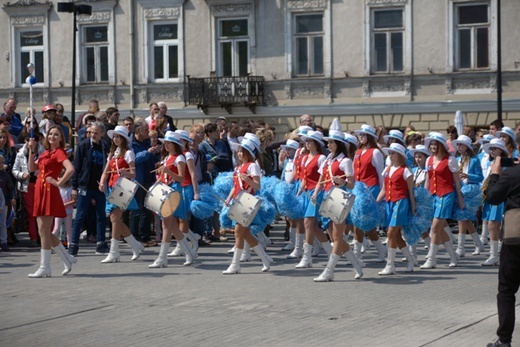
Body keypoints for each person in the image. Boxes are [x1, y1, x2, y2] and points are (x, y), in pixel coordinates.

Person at [312, 129, 363, 281]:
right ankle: (357, 265)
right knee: (336, 237)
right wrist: (315, 193)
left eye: (331, 142)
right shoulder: (328, 160)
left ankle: (329, 271)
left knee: (337, 236)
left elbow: (352, 183)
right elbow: (321, 180)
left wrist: (343, 182)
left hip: (340, 197)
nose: (328, 144)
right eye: (328, 142)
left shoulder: (345, 161)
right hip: (328, 198)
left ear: (339, 144)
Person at [485, 132, 520, 347]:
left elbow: (492, 198)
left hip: (515, 239)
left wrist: (496, 174)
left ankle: (504, 340)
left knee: (506, 290)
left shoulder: (513, 174)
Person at [27, 125, 76, 278]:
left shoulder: (59, 152)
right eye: (50, 134)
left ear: (61, 138)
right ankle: (67, 258)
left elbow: (70, 169)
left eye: (56, 135)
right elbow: (31, 169)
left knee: (44, 232)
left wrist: (59, 182)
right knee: (45, 231)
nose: (52, 137)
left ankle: (45, 266)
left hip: (48, 190)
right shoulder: (46, 152)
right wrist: (31, 150)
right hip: (39, 189)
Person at [223, 137, 272, 274]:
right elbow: (235, 186)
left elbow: (257, 185)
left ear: (248, 153)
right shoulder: (238, 168)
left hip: (248, 200)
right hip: (238, 201)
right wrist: (228, 198)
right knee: (246, 234)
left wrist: (247, 180)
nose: (239, 154)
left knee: (238, 231)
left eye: (242, 151)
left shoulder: (252, 166)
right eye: (238, 151)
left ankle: (235, 264)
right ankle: (265, 259)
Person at [148, 131, 195, 268]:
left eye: (168, 143)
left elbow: (181, 178)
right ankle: (188, 252)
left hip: (174, 190)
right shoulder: (166, 157)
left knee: (167, 224)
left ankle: (162, 257)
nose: (166, 145)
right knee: (171, 225)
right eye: (165, 143)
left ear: (175, 144)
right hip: (166, 190)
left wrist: (168, 172)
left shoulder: (179, 157)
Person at [98, 125, 144, 263]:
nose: (115, 139)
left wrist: (125, 173)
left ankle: (114, 252)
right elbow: (106, 171)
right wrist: (101, 182)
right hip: (113, 187)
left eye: (118, 137)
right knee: (115, 220)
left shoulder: (129, 153)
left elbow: (133, 173)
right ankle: (135, 245)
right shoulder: (113, 153)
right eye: (114, 137)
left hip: (124, 186)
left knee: (114, 218)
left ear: (123, 139)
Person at [420, 132, 464, 269]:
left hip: (446, 195)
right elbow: (428, 180)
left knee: (434, 227)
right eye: (431, 144)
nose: (432, 146)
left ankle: (432, 258)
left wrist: (460, 199)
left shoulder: (451, 160)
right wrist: (424, 198)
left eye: (435, 144)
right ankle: (453, 257)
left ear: (441, 146)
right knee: (439, 229)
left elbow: (457, 181)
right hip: (433, 196)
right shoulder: (429, 160)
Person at [69, 122, 110, 256]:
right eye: (91, 132)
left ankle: (101, 243)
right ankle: (74, 245)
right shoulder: (83, 145)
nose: (92, 135)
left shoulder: (104, 146)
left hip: (99, 186)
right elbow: (76, 167)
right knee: (80, 215)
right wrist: (74, 187)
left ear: (102, 134)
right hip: (85, 185)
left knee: (101, 216)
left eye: (96, 133)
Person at [376, 143, 417, 275]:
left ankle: (390, 265)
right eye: (390, 153)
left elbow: (411, 191)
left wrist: (414, 207)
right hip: (389, 203)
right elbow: (383, 189)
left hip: (401, 202)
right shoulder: (387, 169)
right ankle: (411, 260)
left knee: (390, 232)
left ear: (400, 155)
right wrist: (375, 202)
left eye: (393, 153)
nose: (391, 156)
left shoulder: (406, 171)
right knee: (396, 236)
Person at [294, 130, 330, 268]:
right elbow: (304, 178)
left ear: (316, 143)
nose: (307, 144)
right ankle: (330, 252)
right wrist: (298, 192)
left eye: (310, 141)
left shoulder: (321, 158)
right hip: (306, 192)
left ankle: (307, 257)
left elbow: (322, 179)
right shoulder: (304, 158)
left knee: (308, 222)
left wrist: (316, 192)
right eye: (306, 141)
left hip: (317, 192)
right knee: (313, 226)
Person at [352, 124, 387, 263]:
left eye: (363, 135)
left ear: (370, 137)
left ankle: (356, 255)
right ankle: (380, 249)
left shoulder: (375, 152)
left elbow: (381, 174)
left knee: (360, 222)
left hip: (371, 189)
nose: (361, 137)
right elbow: (355, 174)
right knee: (364, 224)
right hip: (358, 189)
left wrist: (382, 194)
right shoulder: (357, 152)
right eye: (360, 134)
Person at [452, 135, 484, 257]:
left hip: (470, 192)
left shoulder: (474, 160)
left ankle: (461, 248)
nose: (459, 147)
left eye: (461, 144)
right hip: (459, 191)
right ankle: (478, 243)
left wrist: (468, 176)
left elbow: (480, 177)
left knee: (462, 218)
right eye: (458, 145)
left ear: (467, 146)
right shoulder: (457, 159)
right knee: (466, 220)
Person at [130, 118, 159, 246]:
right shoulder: (131, 144)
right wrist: (147, 153)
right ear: (138, 130)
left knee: (147, 209)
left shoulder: (147, 142)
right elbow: (134, 159)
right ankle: (135, 237)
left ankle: (145, 236)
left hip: (149, 178)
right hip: (138, 180)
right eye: (146, 130)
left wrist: (156, 153)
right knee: (138, 210)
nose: (148, 132)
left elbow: (151, 159)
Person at [13, 133, 45, 246]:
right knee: (32, 213)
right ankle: (33, 237)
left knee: (42, 212)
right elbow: (15, 170)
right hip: (28, 186)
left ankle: (44, 236)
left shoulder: (43, 152)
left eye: (32, 140)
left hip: (41, 185)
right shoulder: (21, 154)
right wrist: (22, 175)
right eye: (27, 140)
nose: (30, 143)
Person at [481, 139, 509, 266]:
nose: (491, 151)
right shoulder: (490, 163)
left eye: (494, 148)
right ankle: (495, 254)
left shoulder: (505, 164)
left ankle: (496, 254)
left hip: (500, 196)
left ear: (501, 150)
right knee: (492, 225)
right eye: (490, 148)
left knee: (495, 225)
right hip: (491, 195)